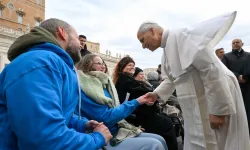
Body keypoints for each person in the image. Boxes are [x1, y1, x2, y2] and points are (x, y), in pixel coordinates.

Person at [136, 11, 250, 150]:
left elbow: (212, 70)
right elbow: (171, 80)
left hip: (215, 100)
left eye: (142, 40)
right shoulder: (166, 50)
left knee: (220, 142)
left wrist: (219, 111)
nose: (143, 46)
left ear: (152, 31)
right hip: (195, 106)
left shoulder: (182, 36)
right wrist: (155, 94)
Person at [0, 18, 112, 150]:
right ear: (62, 33)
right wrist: (97, 138)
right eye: (77, 38)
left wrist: (81, 124)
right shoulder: (41, 63)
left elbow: (57, 113)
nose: (82, 45)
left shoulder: (54, 64)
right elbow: (44, 139)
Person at [75, 54, 168, 150]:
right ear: (87, 65)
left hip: (117, 127)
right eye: (99, 63)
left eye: (103, 63)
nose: (103, 66)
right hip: (104, 135)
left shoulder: (104, 83)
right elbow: (106, 117)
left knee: (160, 139)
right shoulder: (86, 87)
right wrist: (137, 101)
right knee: (156, 143)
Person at [113, 56, 178, 150]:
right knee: (166, 124)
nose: (132, 67)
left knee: (166, 119)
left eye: (133, 65)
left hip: (138, 113)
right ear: (122, 67)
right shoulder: (125, 81)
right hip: (135, 116)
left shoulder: (127, 80)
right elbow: (140, 93)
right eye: (129, 65)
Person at [222, 39, 250, 132]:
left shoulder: (248, 55)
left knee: (247, 108)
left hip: (247, 86)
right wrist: (238, 76)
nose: (235, 44)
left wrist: (245, 77)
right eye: (233, 42)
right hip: (233, 85)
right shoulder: (226, 56)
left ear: (242, 43)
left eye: (237, 42)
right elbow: (224, 70)